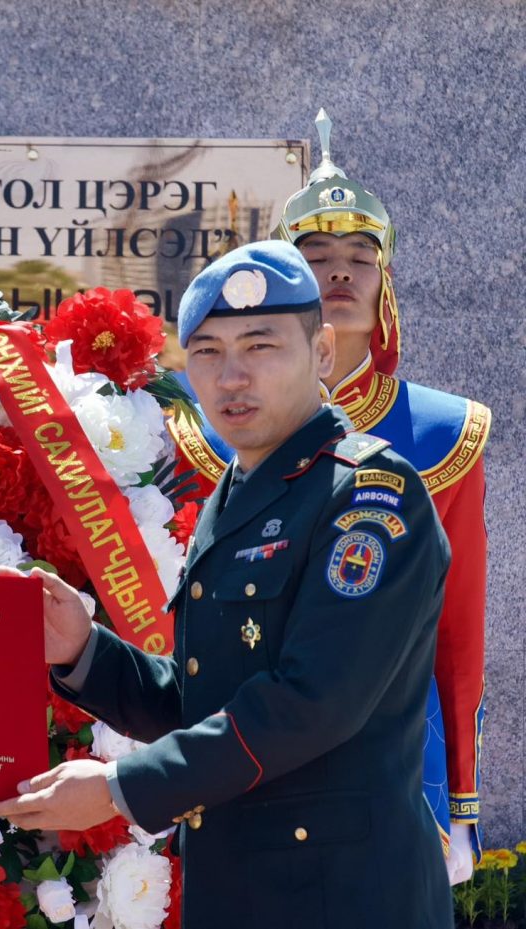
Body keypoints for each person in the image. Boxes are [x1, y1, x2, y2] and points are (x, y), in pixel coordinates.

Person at [0, 240, 454, 929]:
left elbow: (310, 702)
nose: (232, 376)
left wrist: (118, 788)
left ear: (322, 351)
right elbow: (205, 698)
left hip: (343, 897)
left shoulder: (368, 496)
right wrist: (84, 651)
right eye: (207, 351)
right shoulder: (240, 491)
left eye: (261, 346)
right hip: (239, 890)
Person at [169, 110, 490, 882]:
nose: (340, 273)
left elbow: (457, 635)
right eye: (316, 256)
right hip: (229, 766)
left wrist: (462, 800)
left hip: (385, 780)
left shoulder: (446, 433)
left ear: (386, 284)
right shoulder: (201, 428)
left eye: (360, 258)